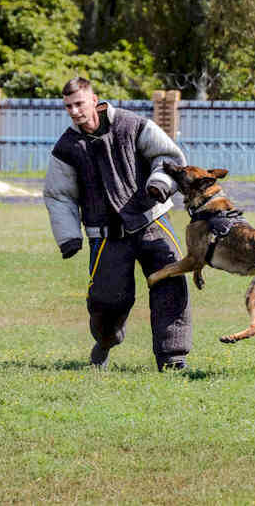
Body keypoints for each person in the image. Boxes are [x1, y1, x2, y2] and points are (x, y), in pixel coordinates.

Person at [43, 77, 192, 371]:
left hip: (152, 221)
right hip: (106, 236)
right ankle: (106, 341)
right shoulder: (66, 147)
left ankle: (173, 357)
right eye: (68, 106)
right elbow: (59, 195)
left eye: (79, 104)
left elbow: (168, 157)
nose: (74, 111)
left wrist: (160, 183)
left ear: (93, 99)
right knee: (105, 302)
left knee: (171, 287)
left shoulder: (132, 124)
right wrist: (69, 236)